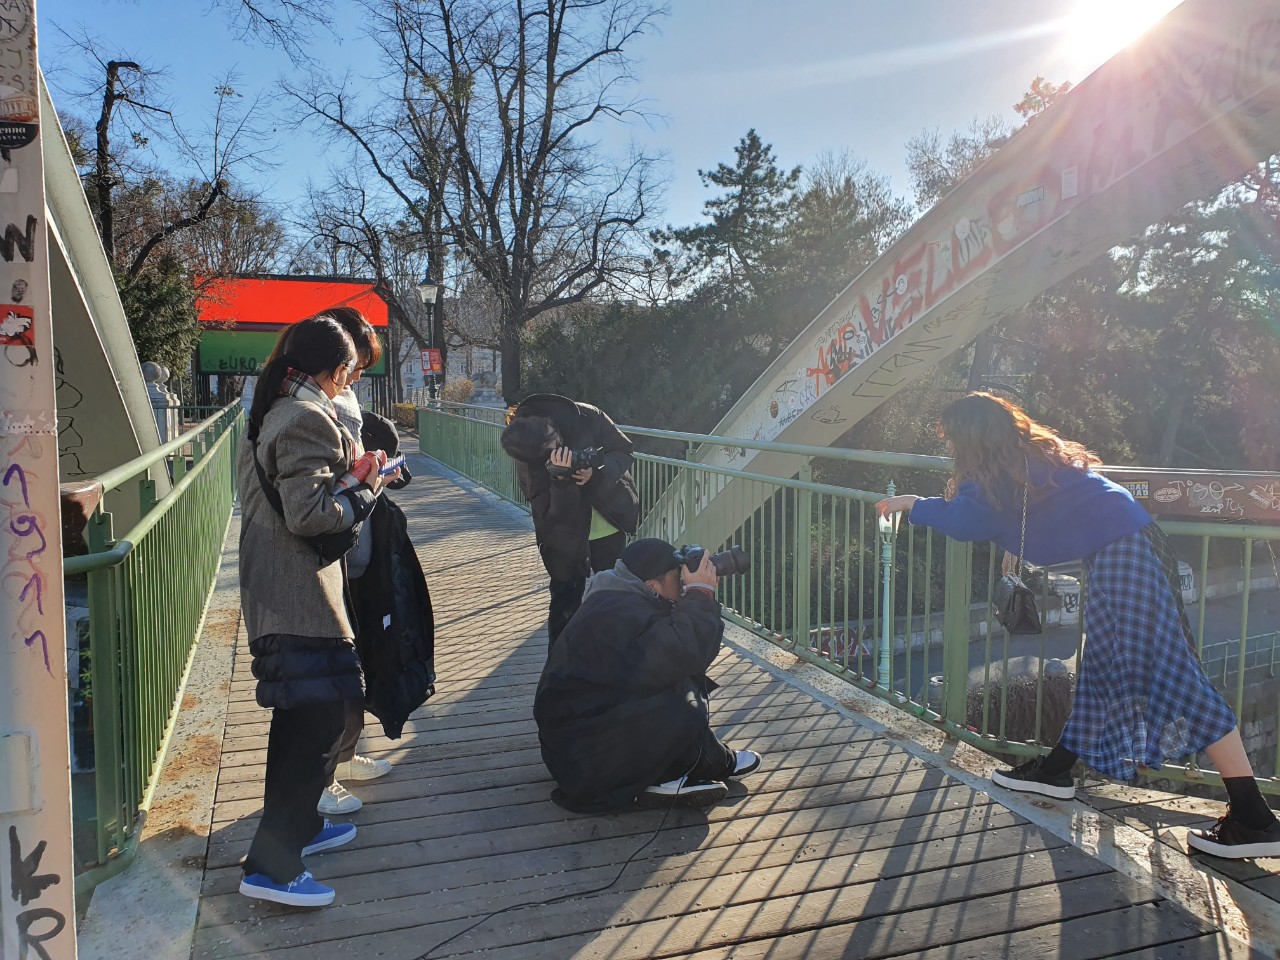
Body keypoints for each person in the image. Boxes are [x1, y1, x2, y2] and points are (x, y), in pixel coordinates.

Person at [876, 391, 1280, 860]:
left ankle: (1255, 819)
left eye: (952, 440)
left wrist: (914, 503)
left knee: (1178, 678)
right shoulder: (1026, 457)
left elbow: (969, 519)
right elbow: (1022, 510)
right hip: (1128, 550)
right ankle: (1055, 772)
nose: (951, 449)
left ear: (972, 438)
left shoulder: (1002, 470)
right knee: (1100, 671)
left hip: (1125, 558)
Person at [236, 316, 386, 907]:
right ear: (334, 370)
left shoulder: (273, 409)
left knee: (303, 715)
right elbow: (310, 515)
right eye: (348, 372)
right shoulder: (306, 418)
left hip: (279, 582)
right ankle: (271, 868)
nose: (348, 382)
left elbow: (296, 497)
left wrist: (349, 477)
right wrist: (367, 488)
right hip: (296, 589)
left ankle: (298, 829)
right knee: (314, 723)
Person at [533, 537, 762, 813]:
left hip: (573, 753)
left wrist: (696, 595)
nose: (683, 584)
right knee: (682, 704)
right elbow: (686, 653)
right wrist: (700, 593)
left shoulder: (615, 599)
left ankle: (678, 770)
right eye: (677, 577)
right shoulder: (624, 615)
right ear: (652, 585)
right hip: (589, 764)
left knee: (676, 688)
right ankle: (668, 775)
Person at [500, 395, 640, 648]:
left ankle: (617, 657)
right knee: (565, 603)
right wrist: (561, 481)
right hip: (564, 535)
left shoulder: (586, 416)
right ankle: (560, 663)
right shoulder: (526, 452)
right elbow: (550, 512)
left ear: (548, 420)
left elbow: (623, 449)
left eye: (553, 435)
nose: (557, 444)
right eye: (548, 448)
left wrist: (597, 474)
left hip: (607, 521)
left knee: (616, 596)